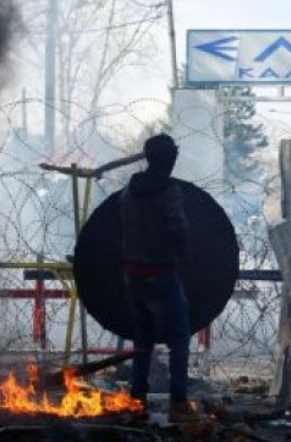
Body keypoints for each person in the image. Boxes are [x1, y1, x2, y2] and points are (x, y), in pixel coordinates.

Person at [120, 133, 197, 422]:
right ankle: (178, 403)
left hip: (133, 274)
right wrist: (183, 255)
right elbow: (178, 228)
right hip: (162, 273)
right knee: (179, 338)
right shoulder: (168, 191)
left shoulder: (130, 190)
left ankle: (137, 399)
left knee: (143, 340)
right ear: (170, 160)